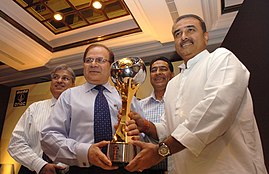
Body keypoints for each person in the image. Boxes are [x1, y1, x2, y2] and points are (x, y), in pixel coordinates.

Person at [125, 14, 268, 174]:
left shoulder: (222, 58)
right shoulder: (172, 84)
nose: (183, 37)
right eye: (177, 34)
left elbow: (216, 110)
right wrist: (146, 126)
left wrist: (161, 151)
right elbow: (169, 127)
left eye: (190, 30)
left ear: (206, 36)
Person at [40, 44, 143, 174]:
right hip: (82, 168)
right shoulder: (69, 96)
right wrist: (86, 152)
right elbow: (49, 137)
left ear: (111, 66)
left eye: (100, 60)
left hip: (126, 168)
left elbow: (145, 134)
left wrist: (137, 135)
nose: (93, 64)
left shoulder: (127, 95)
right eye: (89, 60)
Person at [8, 64, 76, 174]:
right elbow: (15, 143)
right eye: (55, 77)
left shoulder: (81, 113)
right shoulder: (34, 108)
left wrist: (62, 167)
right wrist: (40, 165)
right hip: (33, 170)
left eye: (65, 78)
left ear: (73, 85)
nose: (59, 80)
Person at [139, 56, 174, 174]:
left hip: (175, 166)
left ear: (172, 75)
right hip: (146, 168)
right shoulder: (139, 105)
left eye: (163, 69)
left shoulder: (180, 102)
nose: (158, 73)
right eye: (153, 70)